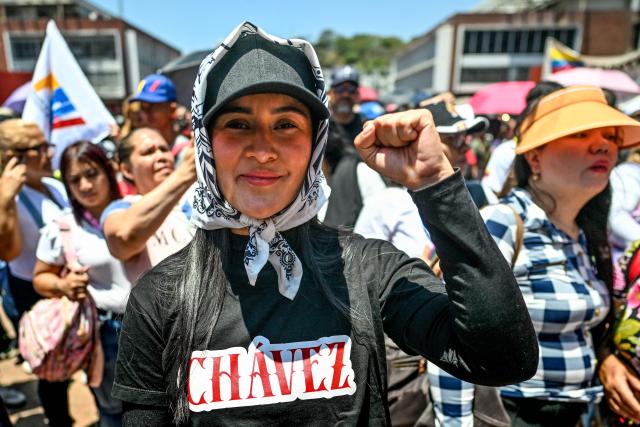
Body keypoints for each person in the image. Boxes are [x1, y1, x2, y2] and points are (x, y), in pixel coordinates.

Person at [112, 22, 538, 426]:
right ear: (205, 143)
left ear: (314, 143)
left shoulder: (367, 268)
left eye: (286, 125)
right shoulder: (162, 295)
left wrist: (436, 185)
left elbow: (502, 357)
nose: (263, 150)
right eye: (238, 124)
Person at [431, 85, 640, 427]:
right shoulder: (502, 221)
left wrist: (606, 360)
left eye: (611, 136)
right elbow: (452, 335)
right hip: (512, 413)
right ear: (535, 157)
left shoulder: (585, 236)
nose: (603, 145)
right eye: (581, 134)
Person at [33, 141, 129, 427]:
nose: (85, 185)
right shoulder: (63, 228)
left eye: (92, 173)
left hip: (160, 327)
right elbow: (40, 278)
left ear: (109, 171)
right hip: (108, 335)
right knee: (114, 411)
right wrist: (64, 285)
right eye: (75, 179)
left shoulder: (137, 208)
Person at [0, 119, 70, 426]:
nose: (48, 153)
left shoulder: (54, 185)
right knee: (50, 368)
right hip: (31, 291)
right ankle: (59, 421)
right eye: (39, 149)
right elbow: (9, 251)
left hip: (65, 286)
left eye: (47, 145)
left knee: (74, 360)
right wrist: (5, 201)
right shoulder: (8, 196)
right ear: (14, 156)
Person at [101, 127, 196, 283]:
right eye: (148, 152)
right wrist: (184, 174)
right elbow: (124, 238)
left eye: (164, 149)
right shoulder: (122, 208)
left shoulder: (195, 195)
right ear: (127, 170)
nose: (161, 156)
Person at [129, 74, 191, 163]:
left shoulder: (186, 150)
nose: (147, 113)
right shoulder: (139, 150)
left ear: (172, 109)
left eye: (154, 106)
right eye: (143, 107)